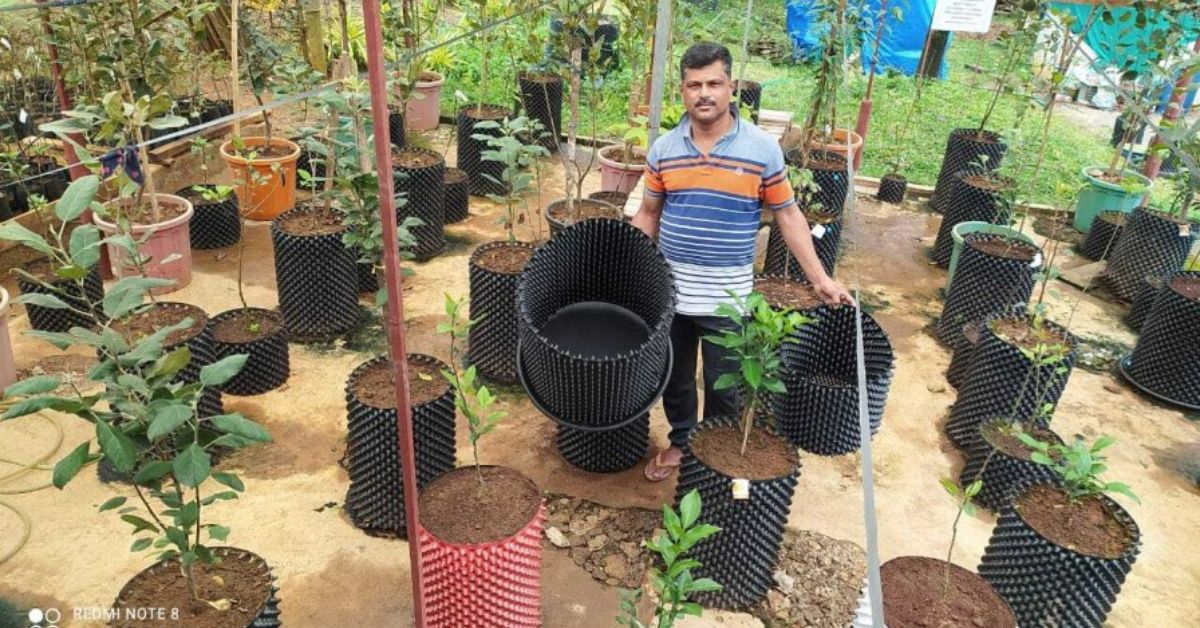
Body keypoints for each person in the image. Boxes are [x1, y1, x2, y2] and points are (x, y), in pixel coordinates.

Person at [632, 42, 855, 482]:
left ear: (731, 87)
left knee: (724, 384)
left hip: (727, 297)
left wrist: (820, 279)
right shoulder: (664, 149)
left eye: (714, 83)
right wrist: (631, 272)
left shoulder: (760, 150)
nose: (705, 94)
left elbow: (789, 215)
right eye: (694, 85)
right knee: (674, 379)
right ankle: (681, 442)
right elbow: (649, 212)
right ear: (682, 91)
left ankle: (711, 456)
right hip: (672, 293)